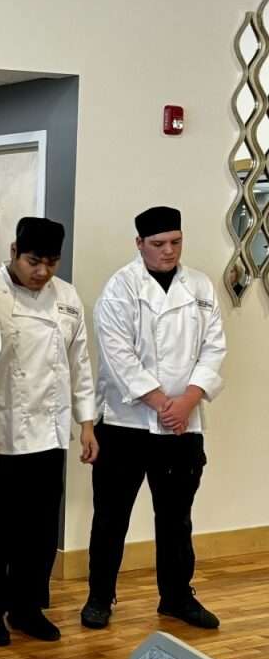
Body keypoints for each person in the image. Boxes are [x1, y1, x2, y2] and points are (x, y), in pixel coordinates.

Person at [81, 206, 226, 630]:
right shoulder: (120, 288)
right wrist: (163, 401)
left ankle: (178, 597)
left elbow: (215, 348)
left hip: (183, 425)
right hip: (126, 424)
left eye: (176, 243)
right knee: (111, 516)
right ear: (139, 244)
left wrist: (187, 401)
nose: (168, 251)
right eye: (159, 244)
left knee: (177, 516)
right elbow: (117, 355)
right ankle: (99, 598)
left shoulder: (199, 286)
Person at [0, 217, 96, 645]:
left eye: (51, 263)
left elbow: (79, 363)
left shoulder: (67, 298)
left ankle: (27, 608)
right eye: (33, 261)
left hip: (47, 432)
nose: (42, 272)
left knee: (40, 531)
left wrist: (86, 423)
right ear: (13, 251)